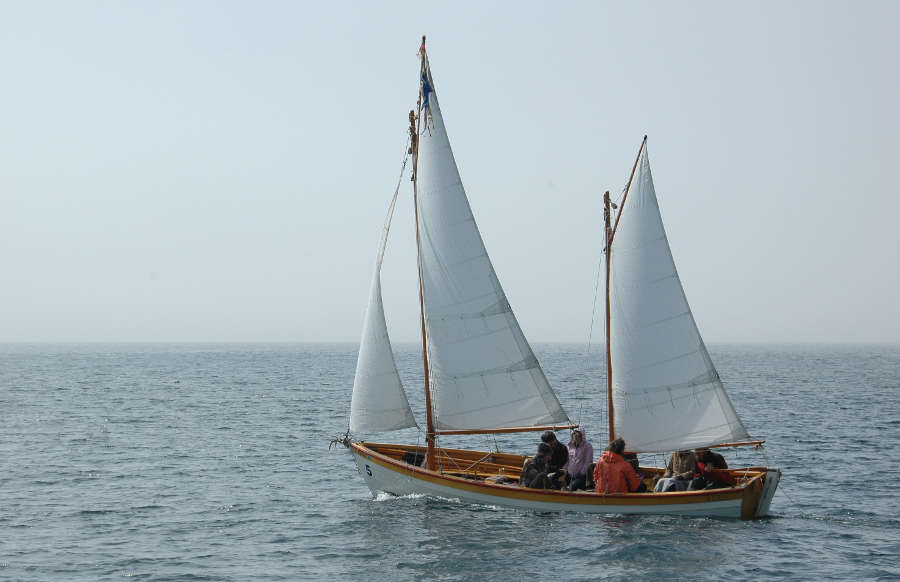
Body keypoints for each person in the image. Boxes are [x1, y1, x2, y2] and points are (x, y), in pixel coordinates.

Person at [562, 427, 594, 491]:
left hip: (581, 476)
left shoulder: (587, 446)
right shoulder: (569, 446)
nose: (575, 437)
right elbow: (567, 461)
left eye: (578, 435)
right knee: (556, 481)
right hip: (569, 474)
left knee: (571, 487)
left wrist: (581, 473)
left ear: (582, 436)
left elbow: (587, 462)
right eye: (574, 435)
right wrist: (564, 470)